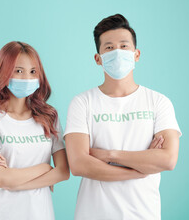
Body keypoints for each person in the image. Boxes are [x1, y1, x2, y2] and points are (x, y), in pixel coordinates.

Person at [64, 14, 181, 220]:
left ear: (136, 54)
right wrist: (140, 171)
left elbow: (168, 159)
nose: (117, 52)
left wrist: (110, 155)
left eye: (124, 46)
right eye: (109, 47)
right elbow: (79, 164)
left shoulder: (158, 102)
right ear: (97, 58)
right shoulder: (82, 102)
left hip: (144, 214)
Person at [0, 41, 69, 220]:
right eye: (18, 71)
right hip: (0, 213)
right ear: (3, 72)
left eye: (33, 72)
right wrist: (45, 167)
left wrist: (16, 183)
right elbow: (1, 179)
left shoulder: (49, 117)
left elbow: (63, 171)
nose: (26, 78)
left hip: (41, 214)